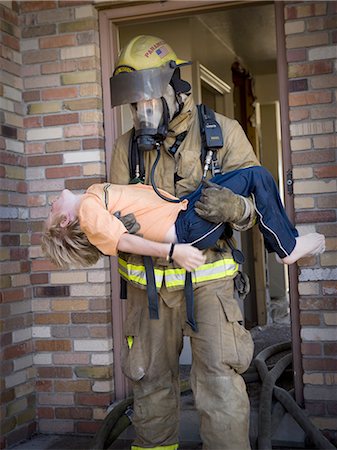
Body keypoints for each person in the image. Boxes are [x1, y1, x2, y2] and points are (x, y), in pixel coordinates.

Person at [107, 34, 322, 450]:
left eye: (148, 100)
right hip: (146, 289)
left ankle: (290, 246)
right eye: (134, 105)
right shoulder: (125, 148)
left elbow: (256, 204)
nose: (141, 112)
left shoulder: (222, 132)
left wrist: (234, 209)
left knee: (220, 386)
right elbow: (115, 212)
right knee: (149, 386)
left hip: (209, 284)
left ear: (175, 87)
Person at [41, 166, 325, 271]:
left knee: (251, 175)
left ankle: (284, 245)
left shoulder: (92, 200)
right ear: (65, 220)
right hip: (186, 229)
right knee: (257, 175)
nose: (51, 203)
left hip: (184, 211)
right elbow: (123, 241)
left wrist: (238, 209)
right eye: (51, 210)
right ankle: (287, 249)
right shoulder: (88, 210)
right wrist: (174, 251)